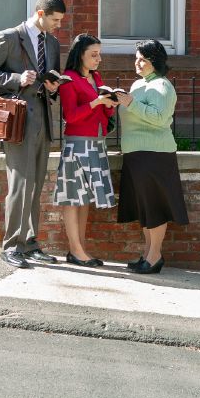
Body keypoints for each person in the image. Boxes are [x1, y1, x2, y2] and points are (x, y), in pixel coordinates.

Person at [0, 0, 66, 269]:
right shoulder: (9, 36)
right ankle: (11, 246)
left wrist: (53, 87)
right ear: (40, 14)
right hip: (17, 121)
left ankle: (30, 243)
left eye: (60, 20)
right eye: (54, 19)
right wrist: (15, 78)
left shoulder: (52, 43)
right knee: (20, 185)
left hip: (42, 120)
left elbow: (51, 81)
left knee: (36, 185)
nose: (58, 25)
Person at [114, 39, 189, 274]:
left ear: (154, 61)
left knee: (154, 207)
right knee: (144, 208)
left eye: (142, 59)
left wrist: (130, 103)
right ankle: (147, 254)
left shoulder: (162, 86)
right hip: (136, 153)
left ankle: (155, 256)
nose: (137, 63)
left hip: (154, 154)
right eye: (136, 58)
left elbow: (159, 118)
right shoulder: (139, 85)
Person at [54, 34, 119, 267]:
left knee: (85, 199)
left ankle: (80, 249)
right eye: (93, 54)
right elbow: (70, 116)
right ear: (79, 54)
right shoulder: (69, 79)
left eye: (99, 54)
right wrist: (96, 103)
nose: (98, 59)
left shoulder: (96, 77)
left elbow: (103, 115)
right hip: (77, 143)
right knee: (73, 198)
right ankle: (75, 250)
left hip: (97, 143)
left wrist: (109, 105)